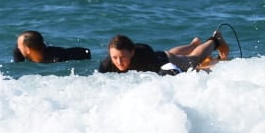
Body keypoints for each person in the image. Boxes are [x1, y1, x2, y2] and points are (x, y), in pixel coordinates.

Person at [96, 30, 229, 75]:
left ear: (132, 52)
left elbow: (167, 73)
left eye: (123, 57)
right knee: (173, 53)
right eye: (115, 57)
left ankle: (215, 41)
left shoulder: (144, 55)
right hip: (160, 55)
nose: (119, 62)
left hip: (164, 60)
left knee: (193, 60)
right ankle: (193, 44)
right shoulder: (106, 65)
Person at [13, 30, 91, 64]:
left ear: (27, 49)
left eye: (20, 46)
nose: (18, 48)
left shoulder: (57, 58)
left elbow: (86, 52)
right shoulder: (18, 52)